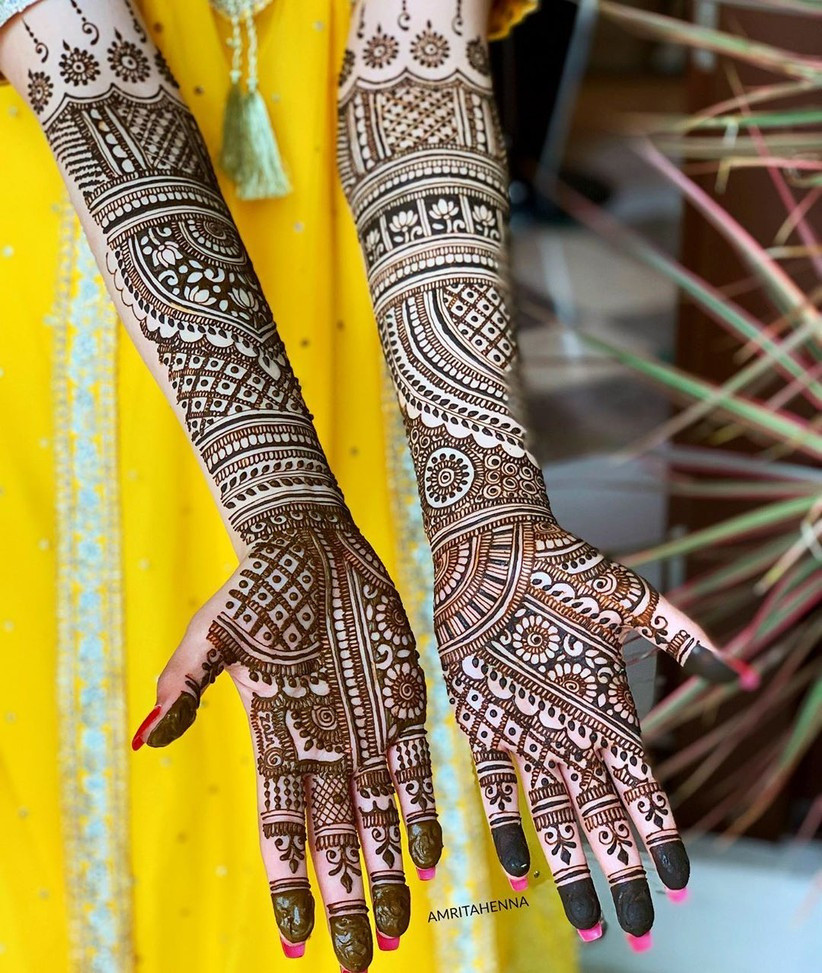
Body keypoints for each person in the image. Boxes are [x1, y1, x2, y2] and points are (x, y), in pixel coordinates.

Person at [0, 1, 756, 970]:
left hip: (371, 289)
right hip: (84, 287)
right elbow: (83, 59)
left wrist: (484, 499)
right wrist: (285, 501)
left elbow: (415, 52)